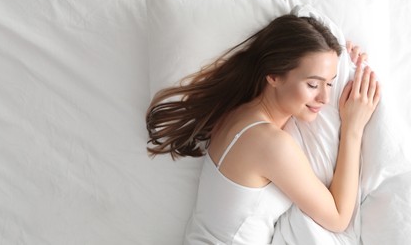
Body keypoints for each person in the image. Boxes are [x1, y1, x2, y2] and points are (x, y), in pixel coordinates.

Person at [146, 14, 380, 244]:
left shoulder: (238, 112)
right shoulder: (270, 144)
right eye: (312, 84)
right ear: (274, 76)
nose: (325, 97)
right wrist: (353, 127)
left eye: (330, 83)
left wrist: (347, 64)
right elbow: (338, 218)